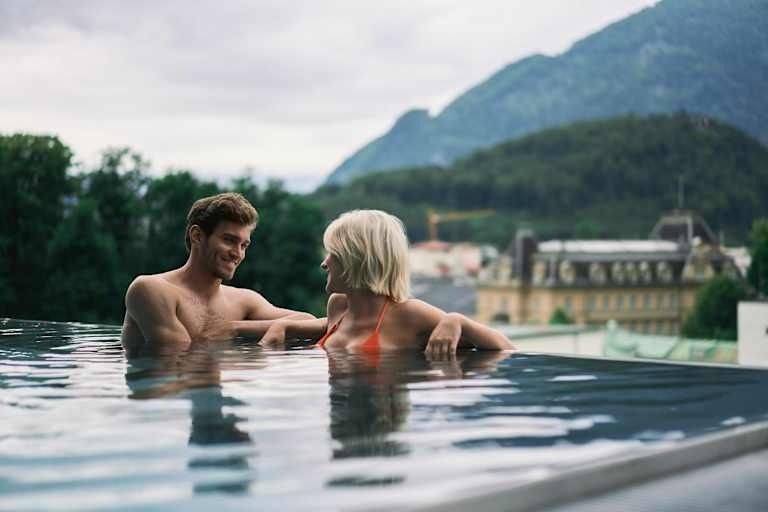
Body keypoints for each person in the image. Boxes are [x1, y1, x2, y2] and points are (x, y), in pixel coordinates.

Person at [260, 210, 515, 355]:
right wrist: (287, 326)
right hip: (341, 423)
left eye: (333, 254)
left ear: (357, 258)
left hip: (381, 424)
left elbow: (506, 348)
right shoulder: (339, 306)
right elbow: (325, 325)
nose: (324, 263)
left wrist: (457, 320)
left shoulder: (409, 314)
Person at [121, 192, 314, 355]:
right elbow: (181, 362)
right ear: (197, 236)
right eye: (229, 240)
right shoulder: (151, 290)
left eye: (244, 245)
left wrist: (235, 329)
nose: (237, 253)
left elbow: (310, 322)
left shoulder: (244, 301)